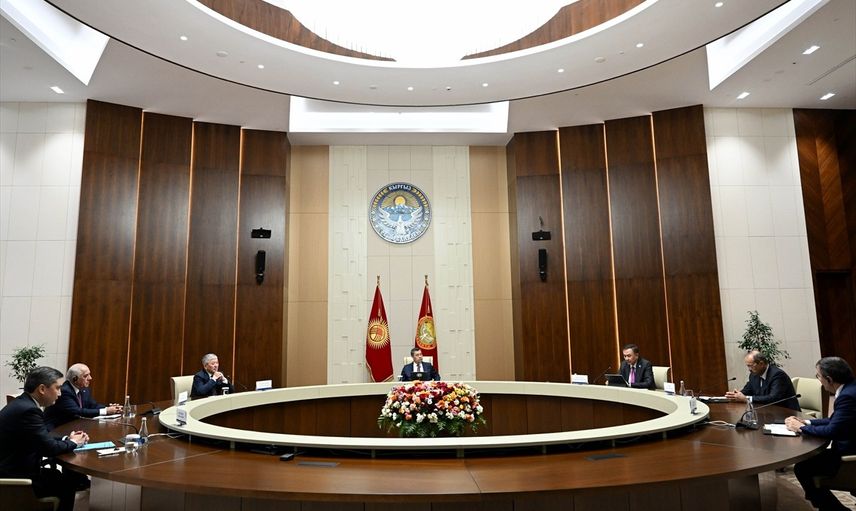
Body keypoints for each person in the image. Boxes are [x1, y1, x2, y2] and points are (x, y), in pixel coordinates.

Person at [0, 366, 89, 511]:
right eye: (57, 388)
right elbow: (48, 448)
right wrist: (73, 442)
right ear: (42, 389)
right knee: (69, 482)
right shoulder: (29, 410)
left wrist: (67, 438)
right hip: (15, 476)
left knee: (56, 475)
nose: (60, 393)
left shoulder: (23, 403)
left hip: (14, 467)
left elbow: (41, 438)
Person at [785, 357, 856, 511]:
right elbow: (835, 420)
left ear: (829, 379)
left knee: (802, 468)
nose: (819, 380)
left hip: (850, 456)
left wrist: (800, 428)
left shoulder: (847, 396)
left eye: (818, 376)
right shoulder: (851, 388)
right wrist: (807, 422)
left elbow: (832, 431)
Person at [45, 363, 123, 428]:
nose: (90, 378)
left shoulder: (84, 390)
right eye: (86, 376)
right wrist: (106, 411)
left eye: (89, 375)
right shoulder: (64, 391)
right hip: (58, 428)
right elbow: (77, 411)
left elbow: (93, 405)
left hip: (75, 426)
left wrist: (110, 408)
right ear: (75, 379)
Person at [725, 350, 800, 411]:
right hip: (767, 412)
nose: (749, 369)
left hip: (786, 413)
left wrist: (747, 399)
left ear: (761, 364)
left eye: (750, 366)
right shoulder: (754, 375)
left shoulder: (778, 375)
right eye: (748, 366)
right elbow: (748, 390)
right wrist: (736, 395)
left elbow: (773, 398)